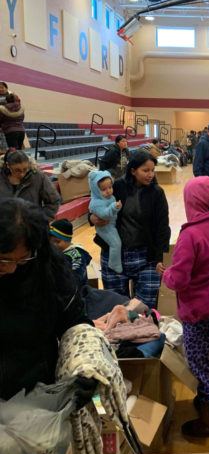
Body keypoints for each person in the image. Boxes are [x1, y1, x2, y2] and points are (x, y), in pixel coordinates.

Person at [159, 176, 209, 438]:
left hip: (199, 311)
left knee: (200, 364)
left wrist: (166, 273)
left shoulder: (190, 234)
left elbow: (179, 280)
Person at [0, 199, 89, 400]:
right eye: (4, 260)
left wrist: (84, 366)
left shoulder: (49, 267)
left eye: (22, 259)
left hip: (37, 390)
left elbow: (75, 323)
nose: (13, 268)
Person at [90, 151, 170, 308]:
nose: (150, 175)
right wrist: (91, 218)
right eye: (145, 170)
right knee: (117, 306)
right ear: (133, 171)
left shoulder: (157, 193)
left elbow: (163, 228)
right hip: (115, 255)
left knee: (144, 308)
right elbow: (98, 201)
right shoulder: (117, 186)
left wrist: (160, 257)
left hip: (147, 257)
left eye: (152, 170)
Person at [0, 150, 60, 220]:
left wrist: (41, 220)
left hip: (30, 227)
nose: (22, 174)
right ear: (8, 166)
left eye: (25, 169)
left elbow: (54, 201)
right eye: (17, 170)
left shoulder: (38, 177)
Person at [88, 170, 123, 274]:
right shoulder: (96, 202)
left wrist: (117, 207)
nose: (108, 191)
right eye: (103, 189)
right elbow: (104, 215)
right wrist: (114, 207)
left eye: (110, 187)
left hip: (111, 224)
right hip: (105, 227)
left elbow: (113, 212)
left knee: (116, 243)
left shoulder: (110, 197)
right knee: (116, 244)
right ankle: (114, 264)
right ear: (95, 190)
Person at [49, 218, 92, 287]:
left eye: (57, 241)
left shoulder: (76, 256)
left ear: (67, 240)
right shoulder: (56, 251)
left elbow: (75, 279)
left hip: (77, 294)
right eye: (50, 241)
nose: (53, 244)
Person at [0, 85, 26, 150]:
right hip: (21, 130)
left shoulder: (3, 109)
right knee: (18, 150)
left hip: (10, 131)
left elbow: (1, 119)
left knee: (13, 151)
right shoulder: (21, 108)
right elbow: (22, 118)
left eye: (2, 87)